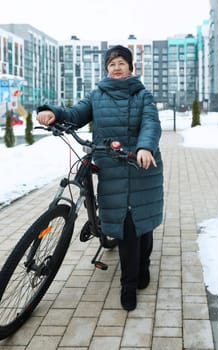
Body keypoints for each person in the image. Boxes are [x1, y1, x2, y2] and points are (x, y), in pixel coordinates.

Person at [37, 45, 163, 311]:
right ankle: (128, 285)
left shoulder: (143, 95)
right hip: (112, 165)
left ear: (131, 67)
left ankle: (144, 264)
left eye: (121, 63)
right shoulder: (97, 95)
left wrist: (144, 146)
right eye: (112, 63)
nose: (117, 67)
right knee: (127, 224)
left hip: (141, 163)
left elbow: (151, 123)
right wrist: (54, 113)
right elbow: (76, 114)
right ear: (107, 68)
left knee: (143, 220)